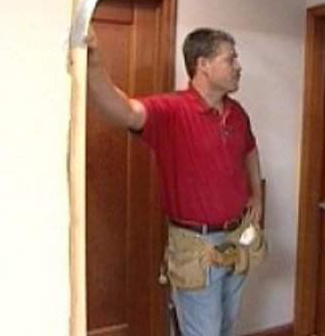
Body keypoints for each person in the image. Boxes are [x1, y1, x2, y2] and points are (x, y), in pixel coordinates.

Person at [86, 26, 266, 336]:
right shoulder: (172, 110)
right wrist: (94, 65)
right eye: (230, 59)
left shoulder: (237, 113)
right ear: (203, 65)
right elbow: (122, 109)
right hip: (197, 249)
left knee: (225, 328)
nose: (238, 66)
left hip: (238, 239)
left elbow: (249, 150)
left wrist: (257, 197)